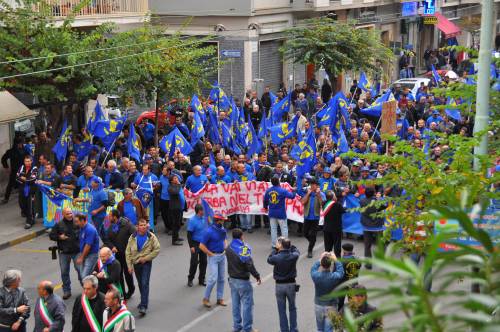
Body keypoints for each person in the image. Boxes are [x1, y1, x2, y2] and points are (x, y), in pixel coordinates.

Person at [226, 228, 261, 332]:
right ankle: (247, 328)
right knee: (247, 305)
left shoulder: (228, 248)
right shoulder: (243, 248)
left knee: (235, 304)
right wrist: (257, 275)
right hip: (243, 280)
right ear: (241, 236)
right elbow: (249, 264)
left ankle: (236, 327)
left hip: (232, 279)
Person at [125, 218, 160, 316]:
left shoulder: (151, 237)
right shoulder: (132, 238)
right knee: (140, 283)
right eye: (141, 225)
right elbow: (128, 252)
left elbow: (157, 249)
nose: (143, 227)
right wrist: (129, 266)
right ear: (137, 227)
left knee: (144, 283)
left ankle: (144, 306)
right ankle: (143, 300)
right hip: (136, 264)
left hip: (146, 263)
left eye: (145, 225)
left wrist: (146, 258)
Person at [267, 238, 300, 332]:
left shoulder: (276, 257)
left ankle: (284, 330)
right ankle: (293, 329)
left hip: (279, 285)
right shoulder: (293, 256)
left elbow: (269, 259)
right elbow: (296, 250)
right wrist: (289, 245)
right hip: (291, 284)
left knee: (281, 310)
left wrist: (275, 249)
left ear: (280, 245)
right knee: (292, 308)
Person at [48, 208, 81, 300]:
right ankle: (67, 291)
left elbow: (84, 231)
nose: (70, 215)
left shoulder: (77, 222)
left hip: (76, 252)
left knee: (80, 270)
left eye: (71, 213)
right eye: (67, 214)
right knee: (64, 272)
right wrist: (59, 237)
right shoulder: (59, 224)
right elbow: (51, 235)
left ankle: (85, 288)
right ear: (63, 215)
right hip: (64, 252)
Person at [103, 210, 136, 300]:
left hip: (127, 254)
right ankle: (122, 293)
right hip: (117, 255)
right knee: (119, 275)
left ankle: (131, 289)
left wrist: (131, 248)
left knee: (127, 274)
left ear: (115, 217)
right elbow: (107, 240)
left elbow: (135, 234)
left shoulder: (127, 224)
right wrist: (112, 246)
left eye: (110, 216)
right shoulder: (110, 228)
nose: (108, 218)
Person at [199, 214, 228, 308]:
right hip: (214, 257)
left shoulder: (222, 229)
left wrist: (225, 246)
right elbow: (201, 246)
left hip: (222, 255)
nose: (223, 222)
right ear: (218, 221)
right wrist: (210, 254)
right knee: (213, 279)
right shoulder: (209, 231)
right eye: (222, 220)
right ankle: (206, 298)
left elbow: (225, 239)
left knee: (222, 278)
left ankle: (220, 298)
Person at [310, 252, 344, 332]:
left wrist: (320, 259)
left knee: (320, 329)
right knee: (329, 329)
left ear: (321, 265)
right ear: (330, 265)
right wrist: (336, 260)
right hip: (331, 306)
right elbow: (341, 271)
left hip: (318, 305)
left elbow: (313, 269)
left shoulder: (316, 276)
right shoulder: (334, 277)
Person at [263, 176, 296, 248]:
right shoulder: (282, 190)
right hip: (281, 213)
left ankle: (274, 244)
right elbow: (292, 196)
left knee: (273, 229)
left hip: (272, 212)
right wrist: (294, 190)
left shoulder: (268, 190)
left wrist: (265, 207)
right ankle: (285, 245)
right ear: (278, 181)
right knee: (283, 229)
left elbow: (265, 200)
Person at [359, 187, 386, 269]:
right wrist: (379, 198)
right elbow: (385, 205)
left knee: (367, 246)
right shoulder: (377, 201)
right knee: (381, 245)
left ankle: (368, 264)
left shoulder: (362, 201)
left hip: (366, 226)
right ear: (374, 193)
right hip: (377, 226)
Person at [300, 178, 325, 258]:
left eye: (313, 185)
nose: (312, 186)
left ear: (317, 186)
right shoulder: (308, 193)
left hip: (315, 217)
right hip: (307, 216)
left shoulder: (321, 194)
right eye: (311, 185)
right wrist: (308, 194)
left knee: (313, 234)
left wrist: (318, 194)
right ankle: (312, 242)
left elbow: (323, 204)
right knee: (305, 233)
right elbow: (303, 202)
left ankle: (310, 250)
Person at [186, 204, 208, 287]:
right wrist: (191, 246)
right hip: (195, 243)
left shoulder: (205, 219)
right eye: (203, 210)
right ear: (199, 211)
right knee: (194, 262)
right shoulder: (192, 220)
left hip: (203, 243)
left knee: (204, 262)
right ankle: (190, 279)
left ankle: (201, 279)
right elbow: (189, 234)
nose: (204, 212)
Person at [75, 214, 100, 279]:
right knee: (83, 275)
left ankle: (93, 287)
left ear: (82, 220)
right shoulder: (82, 228)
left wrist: (81, 258)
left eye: (77, 221)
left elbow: (88, 245)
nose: (76, 223)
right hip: (84, 254)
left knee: (85, 276)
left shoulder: (90, 229)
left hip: (91, 255)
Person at [16, 155, 38, 229]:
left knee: (29, 205)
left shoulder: (34, 168)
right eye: (26, 161)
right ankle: (31, 215)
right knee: (21, 204)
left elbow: (32, 179)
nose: (27, 163)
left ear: (31, 161)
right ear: (24, 162)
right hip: (22, 189)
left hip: (30, 190)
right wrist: (26, 179)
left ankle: (29, 221)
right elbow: (17, 178)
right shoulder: (22, 167)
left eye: (29, 161)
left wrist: (23, 178)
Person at [337, 243, 361, 311]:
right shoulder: (358, 260)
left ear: (344, 251)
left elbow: (338, 274)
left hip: (343, 285)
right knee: (352, 302)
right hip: (353, 284)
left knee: (340, 302)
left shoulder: (341, 262)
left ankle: (339, 315)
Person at [322, 191, 346, 257]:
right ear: (333, 197)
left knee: (327, 247)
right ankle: (337, 262)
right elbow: (344, 210)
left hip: (326, 228)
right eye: (334, 195)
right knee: (337, 246)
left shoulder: (324, 203)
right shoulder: (337, 205)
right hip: (336, 229)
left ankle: (326, 261)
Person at [1, 138, 25, 204]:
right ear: (17, 144)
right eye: (20, 143)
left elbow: (29, 158)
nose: (21, 145)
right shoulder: (10, 151)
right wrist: (6, 167)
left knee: (23, 184)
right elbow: (3, 159)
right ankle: (6, 198)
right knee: (10, 185)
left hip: (23, 171)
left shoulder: (24, 150)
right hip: (14, 171)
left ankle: (24, 198)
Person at [167, 174, 185, 245]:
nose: (177, 179)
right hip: (175, 208)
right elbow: (176, 192)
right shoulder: (170, 187)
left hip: (180, 207)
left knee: (178, 223)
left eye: (177, 178)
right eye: (175, 178)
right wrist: (179, 184)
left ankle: (177, 237)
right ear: (171, 181)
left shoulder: (177, 185)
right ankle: (174, 240)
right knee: (175, 224)